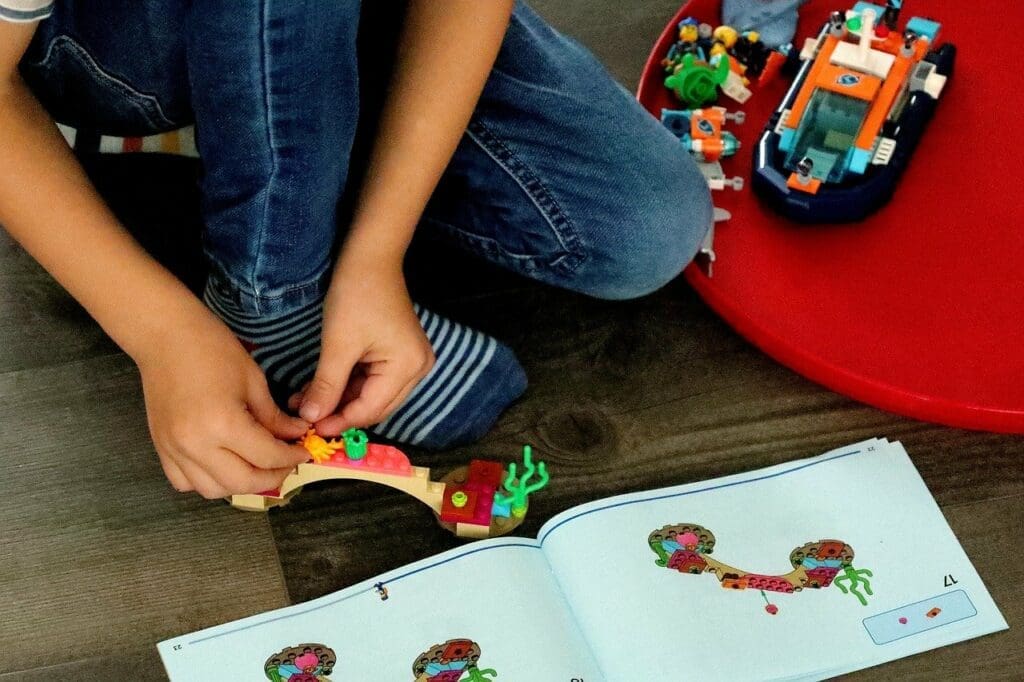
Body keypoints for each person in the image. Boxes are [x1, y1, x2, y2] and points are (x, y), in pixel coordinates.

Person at [0, 1, 711, 499]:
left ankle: (296, 135)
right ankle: (271, 301)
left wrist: (378, 252)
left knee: (643, 228)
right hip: (102, 49)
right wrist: (162, 333)